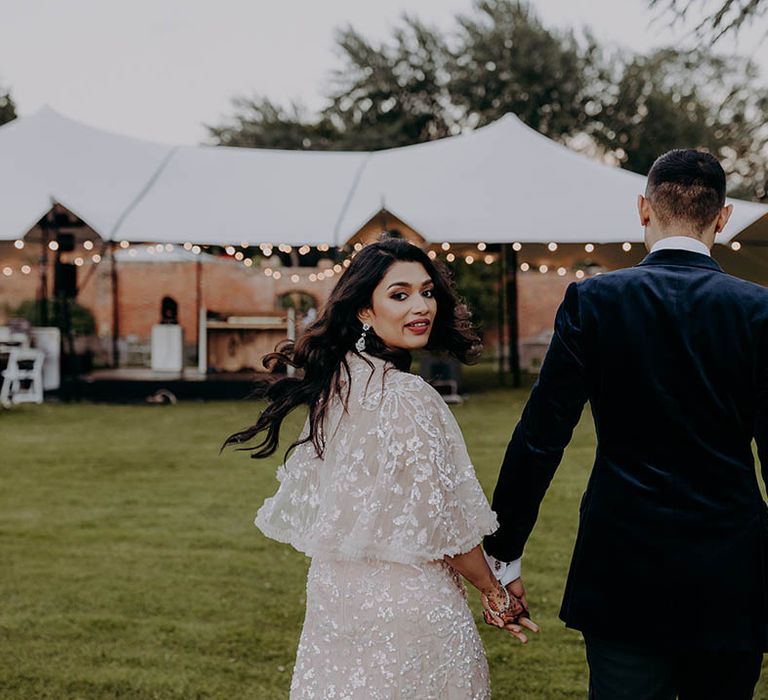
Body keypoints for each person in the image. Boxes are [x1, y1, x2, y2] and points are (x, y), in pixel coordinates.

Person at [483, 149, 767, 699]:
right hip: (731, 568)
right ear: (723, 217)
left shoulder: (594, 300)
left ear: (643, 209)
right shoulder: (758, 310)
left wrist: (505, 551)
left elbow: (541, 437)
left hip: (622, 562)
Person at [226, 238, 537, 699]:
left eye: (428, 292)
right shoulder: (407, 397)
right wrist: (495, 591)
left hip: (340, 603)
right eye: (400, 294)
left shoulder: (338, 387)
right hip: (409, 608)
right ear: (364, 311)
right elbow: (442, 524)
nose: (421, 306)